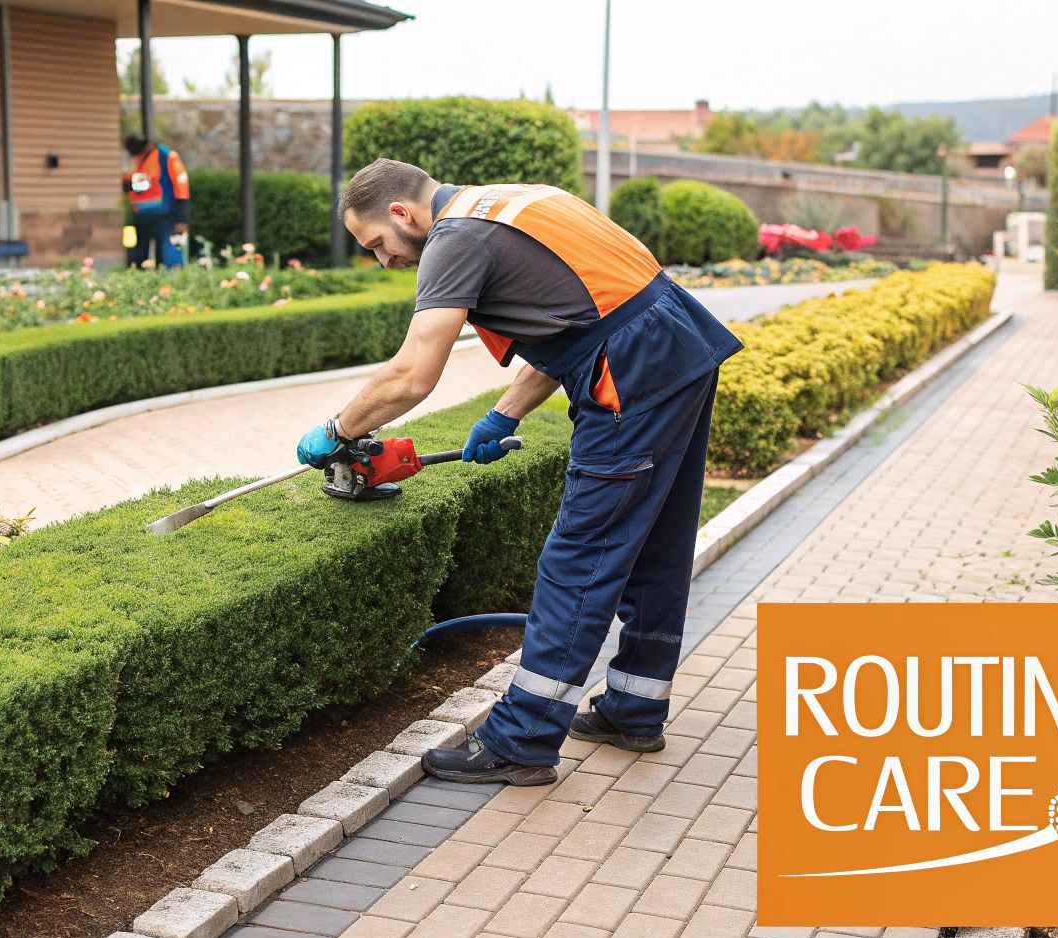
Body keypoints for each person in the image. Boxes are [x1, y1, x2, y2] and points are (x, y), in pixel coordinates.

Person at [297, 159, 744, 786]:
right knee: (657, 546)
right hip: (675, 348)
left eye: (377, 244)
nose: (384, 261)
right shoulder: (513, 201)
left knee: (580, 556)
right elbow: (583, 322)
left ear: (401, 213)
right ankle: (633, 708)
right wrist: (502, 416)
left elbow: (412, 374)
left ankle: (522, 740)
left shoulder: (454, 239)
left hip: (633, 373)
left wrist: (338, 430)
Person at [122, 135, 190, 268]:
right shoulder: (139, 159)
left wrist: (181, 219)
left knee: (167, 257)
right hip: (142, 215)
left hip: (164, 216)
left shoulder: (166, 157)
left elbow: (181, 186)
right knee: (139, 257)